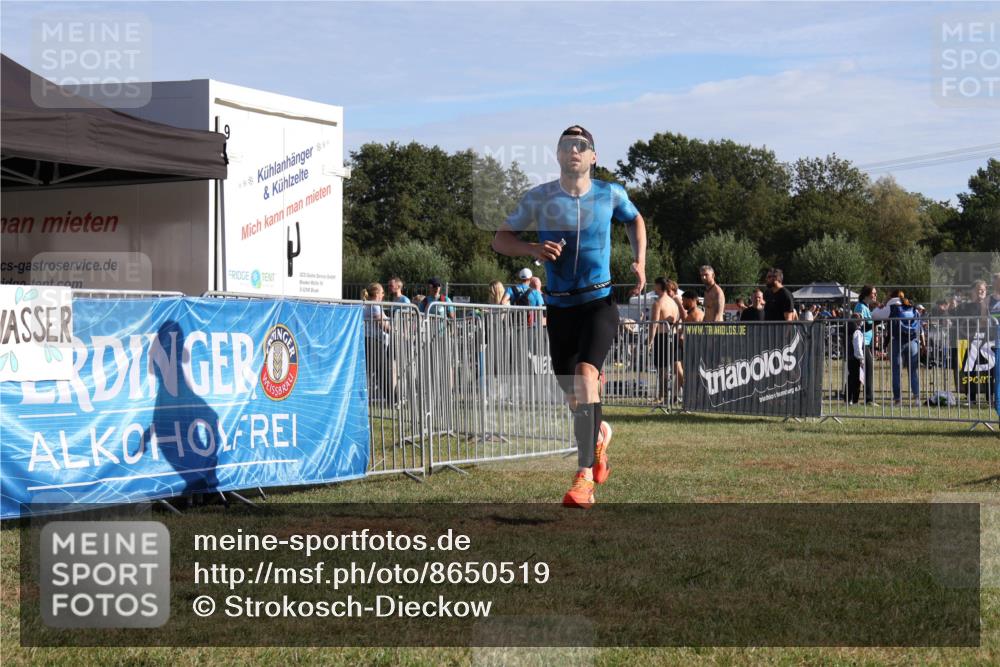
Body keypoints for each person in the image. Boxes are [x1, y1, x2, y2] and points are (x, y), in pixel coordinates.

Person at [492, 124, 646, 509]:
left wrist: (639, 262)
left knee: (584, 376)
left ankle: (583, 480)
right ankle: (599, 435)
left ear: (593, 156)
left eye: (582, 146)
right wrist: (532, 248)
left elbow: (635, 220)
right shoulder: (540, 198)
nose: (573, 150)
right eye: (566, 146)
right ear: (558, 156)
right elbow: (500, 238)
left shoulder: (610, 194)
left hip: (599, 301)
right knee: (575, 399)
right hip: (559, 307)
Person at [873, 290, 924, 406]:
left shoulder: (891, 307)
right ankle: (917, 399)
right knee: (913, 371)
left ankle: (898, 400)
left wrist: (883, 303)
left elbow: (874, 315)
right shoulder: (911, 307)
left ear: (890, 296)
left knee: (896, 371)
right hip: (912, 341)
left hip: (897, 341)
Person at [648, 277, 681, 403]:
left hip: (662, 337)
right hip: (673, 336)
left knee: (662, 368)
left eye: (654, 285)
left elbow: (654, 324)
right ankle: (665, 395)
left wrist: (650, 341)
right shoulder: (673, 302)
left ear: (658, 286)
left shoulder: (658, 303)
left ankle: (662, 396)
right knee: (669, 368)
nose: (653, 288)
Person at [361, 282, 392, 402]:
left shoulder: (371, 305)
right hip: (374, 342)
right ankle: (391, 399)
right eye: (382, 292)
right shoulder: (374, 305)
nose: (383, 294)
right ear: (377, 293)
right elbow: (381, 324)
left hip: (374, 341)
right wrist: (394, 330)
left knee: (379, 371)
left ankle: (391, 398)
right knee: (380, 371)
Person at [852, 285, 878, 406]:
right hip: (861, 343)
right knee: (865, 369)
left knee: (858, 371)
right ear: (867, 294)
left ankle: (853, 399)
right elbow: (859, 324)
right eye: (874, 293)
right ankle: (868, 399)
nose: (875, 295)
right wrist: (875, 320)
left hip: (866, 343)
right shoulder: (860, 306)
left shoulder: (866, 307)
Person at [846, 312, 866, 404]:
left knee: (850, 378)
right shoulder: (857, 331)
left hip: (850, 357)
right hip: (856, 358)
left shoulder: (848, 329)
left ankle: (848, 399)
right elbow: (857, 346)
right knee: (857, 380)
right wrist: (861, 359)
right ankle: (854, 400)